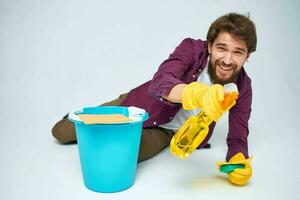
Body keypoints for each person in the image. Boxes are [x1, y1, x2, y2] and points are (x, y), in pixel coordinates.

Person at [52, 12, 257, 186]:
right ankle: (87, 115)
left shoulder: (242, 88)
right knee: (61, 132)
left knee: (120, 156)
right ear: (210, 45)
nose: (228, 60)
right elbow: (161, 81)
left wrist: (238, 160)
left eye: (238, 52)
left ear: (247, 56)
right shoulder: (192, 49)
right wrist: (196, 94)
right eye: (222, 48)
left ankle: (102, 133)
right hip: (140, 105)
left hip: (168, 133)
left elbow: (238, 137)